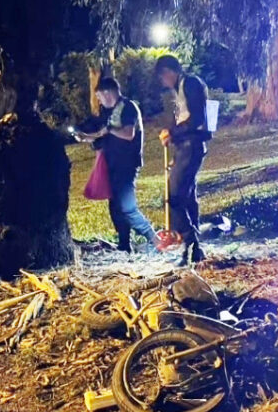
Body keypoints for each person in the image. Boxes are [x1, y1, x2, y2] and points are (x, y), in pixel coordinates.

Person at [76, 78, 159, 253]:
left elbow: (128, 134)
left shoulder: (128, 107)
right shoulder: (111, 112)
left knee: (127, 207)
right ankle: (124, 246)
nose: (99, 101)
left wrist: (108, 130)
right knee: (115, 208)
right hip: (112, 164)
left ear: (108, 92)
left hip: (126, 164)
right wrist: (87, 138)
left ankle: (156, 240)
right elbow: (105, 136)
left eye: (99, 96)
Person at [155, 55, 212, 266]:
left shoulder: (190, 83)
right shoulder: (182, 87)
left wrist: (172, 132)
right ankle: (194, 250)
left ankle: (190, 239)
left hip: (191, 146)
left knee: (174, 197)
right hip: (185, 147)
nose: (163, 83)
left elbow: (196, 118)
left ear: (169, 72)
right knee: (187, 199)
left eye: (162, 78)